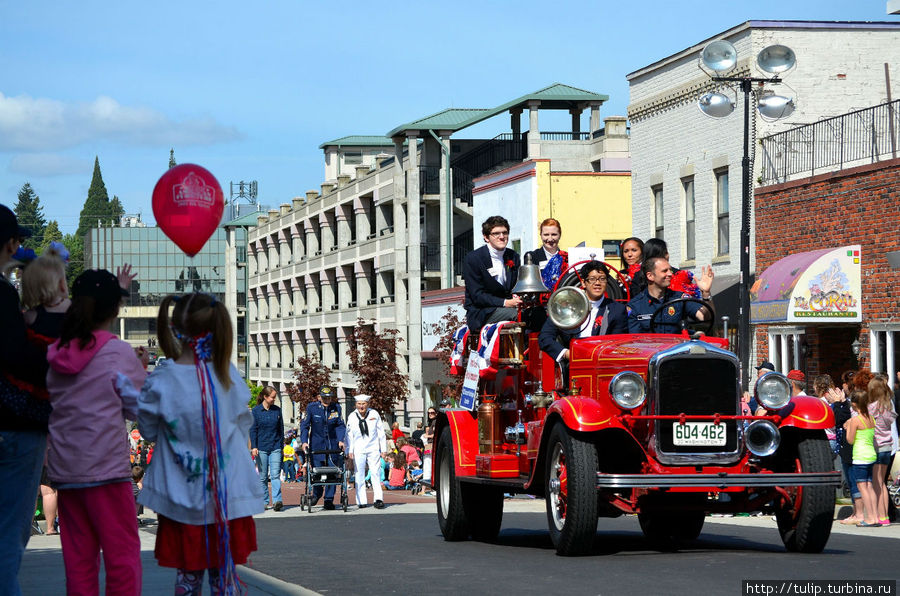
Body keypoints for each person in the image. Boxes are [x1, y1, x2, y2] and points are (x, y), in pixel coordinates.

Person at [137, 292, 263, 593]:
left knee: (188, 579)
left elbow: (149, 431)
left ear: (175, 327)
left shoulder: (162, 381)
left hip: (183, 498)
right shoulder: (228, 376)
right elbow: (242, 427)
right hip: (225, 498)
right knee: (224, 578)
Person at [45, 269, 148, 595]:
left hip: (67, 473)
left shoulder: (56, 353)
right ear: (115, 310)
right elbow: (137, 409)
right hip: (108, 473)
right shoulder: (117, 353)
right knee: (123, 559)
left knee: (78, 563)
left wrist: (115, 291)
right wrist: (141, 368)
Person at [0, 204, 54, 595]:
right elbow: (16, 356)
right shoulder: (2, 297)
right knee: (8, 533)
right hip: (15, 424)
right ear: (10, 245)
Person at [539, 261, 628, 363]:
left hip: (601, 364)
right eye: (592, 279)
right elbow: (545, 337)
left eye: (602, 279)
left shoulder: (617, 310)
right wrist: (566, 353)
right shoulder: (565, 305)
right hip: (571, 363)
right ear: (583, 283)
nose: (597, 283)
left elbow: (618, 344)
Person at [463, 215, 522, 333]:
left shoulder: (513, 256)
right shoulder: (473, 259)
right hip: (483, 312)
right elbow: (477, 295)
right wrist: (505, 303)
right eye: (496, 233)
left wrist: (517, 297)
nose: (502, 237)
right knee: (520, 315)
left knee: (538, 314)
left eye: (505, 233)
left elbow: (516, 285)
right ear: (486, 237)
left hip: (510, 307)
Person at [626, 256, 714, 334]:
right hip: (651, 350)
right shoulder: (635, 306)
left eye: (670, 270)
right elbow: (635, 340)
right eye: (665, 271)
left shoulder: (680, 298)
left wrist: (706, 293)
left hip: (676, 350)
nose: (670, 274)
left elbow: (705, 318)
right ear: (650, 276)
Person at [300, 385, 346, 510]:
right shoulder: (312, 408)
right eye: (325, 398)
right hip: (317, 445)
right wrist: (304, 442)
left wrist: (341, 440)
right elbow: (304, 426)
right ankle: (316, 494)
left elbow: (340, 425)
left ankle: (329, 500)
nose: (327, 400)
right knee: (318, 473)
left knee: (332, 473)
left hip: (332, 445)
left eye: (329, 398)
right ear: (319, 397)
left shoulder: (336, 408)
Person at [345, 394, 388, 509]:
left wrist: (383, 449)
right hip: (358, 449)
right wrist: (349, 450)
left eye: (363, 404)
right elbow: (349, 435)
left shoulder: (374, 414)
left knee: (375, 473)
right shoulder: (352, 416)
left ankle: (378, 499)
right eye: (359, 404)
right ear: (355, 405)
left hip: (373, 448)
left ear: (368, 404)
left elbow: (381, 433)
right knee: (359, 474)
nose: (361, 406)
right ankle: (361, 500)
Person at [844, 389, 879, 527]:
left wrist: (847, 428)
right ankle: (875, 516)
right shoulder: (871, 418)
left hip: (860, 456)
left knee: (862, 487)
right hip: (871, 454)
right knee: (870, 486)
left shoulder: (855, 420)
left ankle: (869, 518)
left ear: (854, 404)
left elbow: (850, 440)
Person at [867, 376, 897, 526]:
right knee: (882, 483)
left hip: (876, 447)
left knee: (876, 482)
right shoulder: (888, 407)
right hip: (887, 446)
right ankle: (885, 515)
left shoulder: (872, 407)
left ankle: (880, 515)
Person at [250, 386, 285, 511]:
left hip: (275, 446)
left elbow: (281, 429)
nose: (274, 400)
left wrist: (281, 446)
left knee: (275, 475)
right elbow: (253, 430)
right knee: (263, 476)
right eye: (272, 397)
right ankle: (264, 501)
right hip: (261, 448)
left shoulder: (277, 410)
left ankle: (277, 501)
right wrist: (254, 446)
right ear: (265, 397)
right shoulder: (256, 411)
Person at [525, 218, 569, 290]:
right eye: (546, 235)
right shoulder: (532, 256)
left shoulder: (567, 257)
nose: (550, 239)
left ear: (560, 235)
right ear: (541, 235)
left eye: (554, 234)